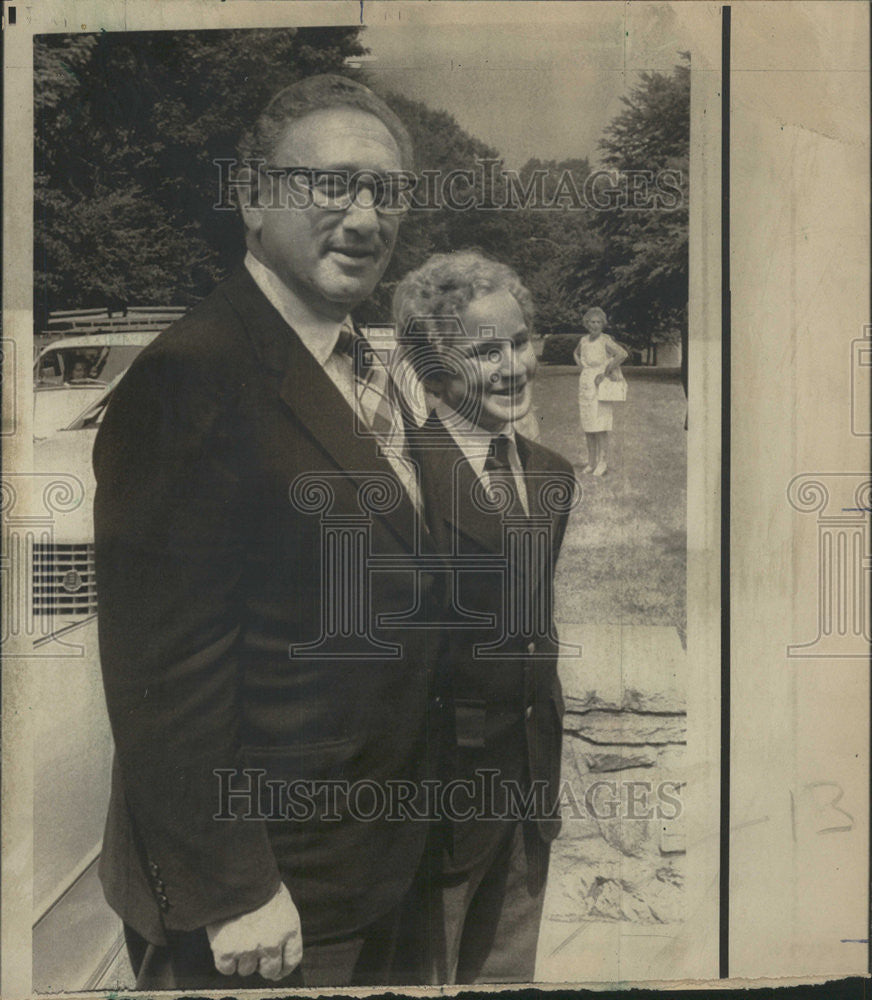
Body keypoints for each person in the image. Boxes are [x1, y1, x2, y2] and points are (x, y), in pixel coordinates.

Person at [93, 74, 446, 990]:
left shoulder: (360, 359)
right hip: (266, 907)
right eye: (331, 185)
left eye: (387, 192)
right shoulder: (193, 378)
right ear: (253, 197)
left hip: (373, 866)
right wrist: (233, 888)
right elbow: (162, 673)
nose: (366, 218)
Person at [394, 251, 576, 984]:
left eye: (520, 341)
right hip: (437, 809)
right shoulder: (399, 473)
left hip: (529, 789)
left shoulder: (552, 476)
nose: (512, 366)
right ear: (434, 369)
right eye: (483, 350)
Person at [572, 306, 628, 476]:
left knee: (600, 426)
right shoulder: (583, 340)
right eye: (591, 322)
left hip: (600, 384)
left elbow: (622, 354)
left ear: (602, 324)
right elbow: (576, 353)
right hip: (585, 383)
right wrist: (583, 368)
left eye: (598, 322)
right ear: (586, 324)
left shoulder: (605, 340)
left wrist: (605, 371)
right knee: (588, 425)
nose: (594, 325)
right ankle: (591, 462)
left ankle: (602, 462)